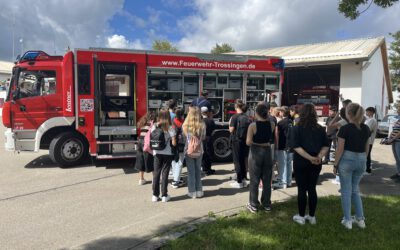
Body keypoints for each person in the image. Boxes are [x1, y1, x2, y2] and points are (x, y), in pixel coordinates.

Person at [291, 104, 330, 225]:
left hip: (301, 161)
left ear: (301, 114)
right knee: (312, 188)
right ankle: (312, 216)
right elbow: (326, 145)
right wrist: (318, 157)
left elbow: (296, 147)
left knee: (302, 189)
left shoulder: (296, 128)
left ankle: (301, 216)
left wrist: (310, 158)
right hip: (316, 162)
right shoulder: (320, 128)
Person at [334, 103, 370, 229]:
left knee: (346, 191)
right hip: (361, 159)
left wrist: (335, 163)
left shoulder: (345, 128)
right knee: (355, 190)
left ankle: (348, 220)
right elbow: (367, 147)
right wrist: (363, 159)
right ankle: (360, 219)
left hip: (347, 160)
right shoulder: (365, 128)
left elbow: (340, 149)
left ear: (349, 114)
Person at [246, 104, 274, 213]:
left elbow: (248, 142)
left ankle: (253, 204)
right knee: (267, 180)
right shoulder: (272, 124)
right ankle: (267, 204)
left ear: (256, 113)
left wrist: (258, 143)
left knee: (254, 180)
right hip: (267, 152)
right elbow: (269, 139)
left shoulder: (253, 125)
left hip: (255, 153)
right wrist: (264, 144)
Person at [151, 109, 176, 202]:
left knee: (156, 173)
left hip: (157, 153)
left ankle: (155, 195)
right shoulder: (170, 127)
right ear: (168, 116)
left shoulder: (154, 126)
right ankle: (164, 195)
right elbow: (174, 143)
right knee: (165, 174)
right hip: (167, 153)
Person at [183, 107, 206, 198]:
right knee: (198, 171)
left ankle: (192, 192)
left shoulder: (185, 125)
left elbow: (184, 138)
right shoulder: (202, 124)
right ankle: (199, 190)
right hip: (199, 150)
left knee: (191, 172)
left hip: (189, 150)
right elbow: (203, 137)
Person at [229, 100, 251, 188]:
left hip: (236, 141)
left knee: (237, 161)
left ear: (237, 107)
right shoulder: (247, 117)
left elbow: (231, 130)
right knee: (243, 160)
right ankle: (244, 179)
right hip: (245, 141)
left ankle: (239, 181)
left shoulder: (234, 117)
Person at [273, 106, 293, 189]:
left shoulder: (280, 123)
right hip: (290, 146)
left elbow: (277, 135)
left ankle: (283, 182)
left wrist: (276, 146)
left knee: (282, 164)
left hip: (283, 145)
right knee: (288, 164)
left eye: (280, 112)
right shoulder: (291, 121)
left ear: (282, 113)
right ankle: (289, 181)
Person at [135, 112, 155, 185]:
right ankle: (154, 179)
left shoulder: (142, 123)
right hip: (146, 143)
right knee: (151, 160)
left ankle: (141, 179)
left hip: (140, 142)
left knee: (141, 160)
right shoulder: (151, 124)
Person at [201, 106, 220, 175]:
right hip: (209, 138)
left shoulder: (200, 121)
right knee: (209, 154)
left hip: (201, 139)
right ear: (207, 112)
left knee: (203, 153)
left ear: (201, 112)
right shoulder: (211, 121)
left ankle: (203, 168)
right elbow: (214, 130)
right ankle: (208, 169)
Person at [171, 108, 185, 188]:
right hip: (182, 144)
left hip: (173, 143)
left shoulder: (173, 122)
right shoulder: (184, 122)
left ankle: (175, 177)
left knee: (173, 160)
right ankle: (176, 181)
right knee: (180, 161)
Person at [387, 105, 400, 182]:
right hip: (394, 141)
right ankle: (398, 173)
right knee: (397, 158)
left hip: (398, 141)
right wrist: (389, 138)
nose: (397, 111)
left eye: (399, 109)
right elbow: (394, 129)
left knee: (399, 158)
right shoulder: (398, 119)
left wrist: (393, 138)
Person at [365, 107, 378, 174]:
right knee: (366, 154)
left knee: (367, 155)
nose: (366, 112)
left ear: (372, 112)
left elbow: (367, 130)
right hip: (366, 140)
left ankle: (367, 169)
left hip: (369, 140)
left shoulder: (372, 120)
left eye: (367, 111)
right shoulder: (368, 120)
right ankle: (366, 168)